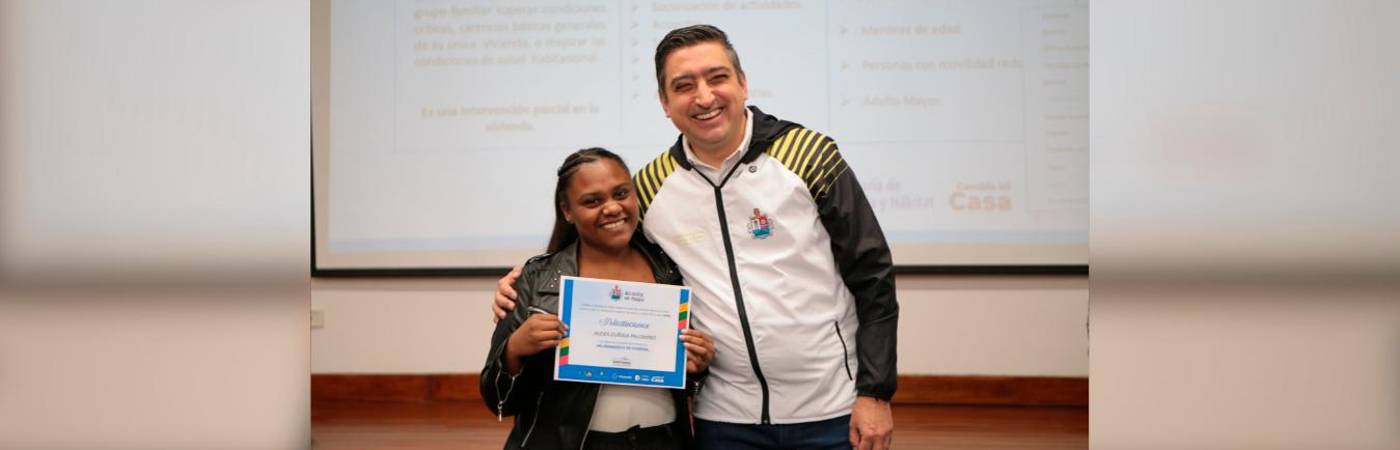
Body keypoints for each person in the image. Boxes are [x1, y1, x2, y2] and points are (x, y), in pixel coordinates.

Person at [495, 25, 899, 450]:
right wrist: (526, 281)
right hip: (721, 419)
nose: (704, 97)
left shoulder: (809, 154)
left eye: (717, 77)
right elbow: (600, 248)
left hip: (832, 409)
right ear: (665, 103)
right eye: (684, 86)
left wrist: (875, 392)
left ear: (742, 83)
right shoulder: (650, 186)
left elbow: (872, 274)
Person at [481, 148, 716, 450]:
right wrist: (514, 350)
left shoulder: (674, 270)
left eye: (621, 193)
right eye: (592, 201)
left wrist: (697, 366)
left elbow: (688, 386)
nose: (612, 208)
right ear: (568, 211)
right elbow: (497, 399)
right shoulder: (536, 280)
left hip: (661, 441)